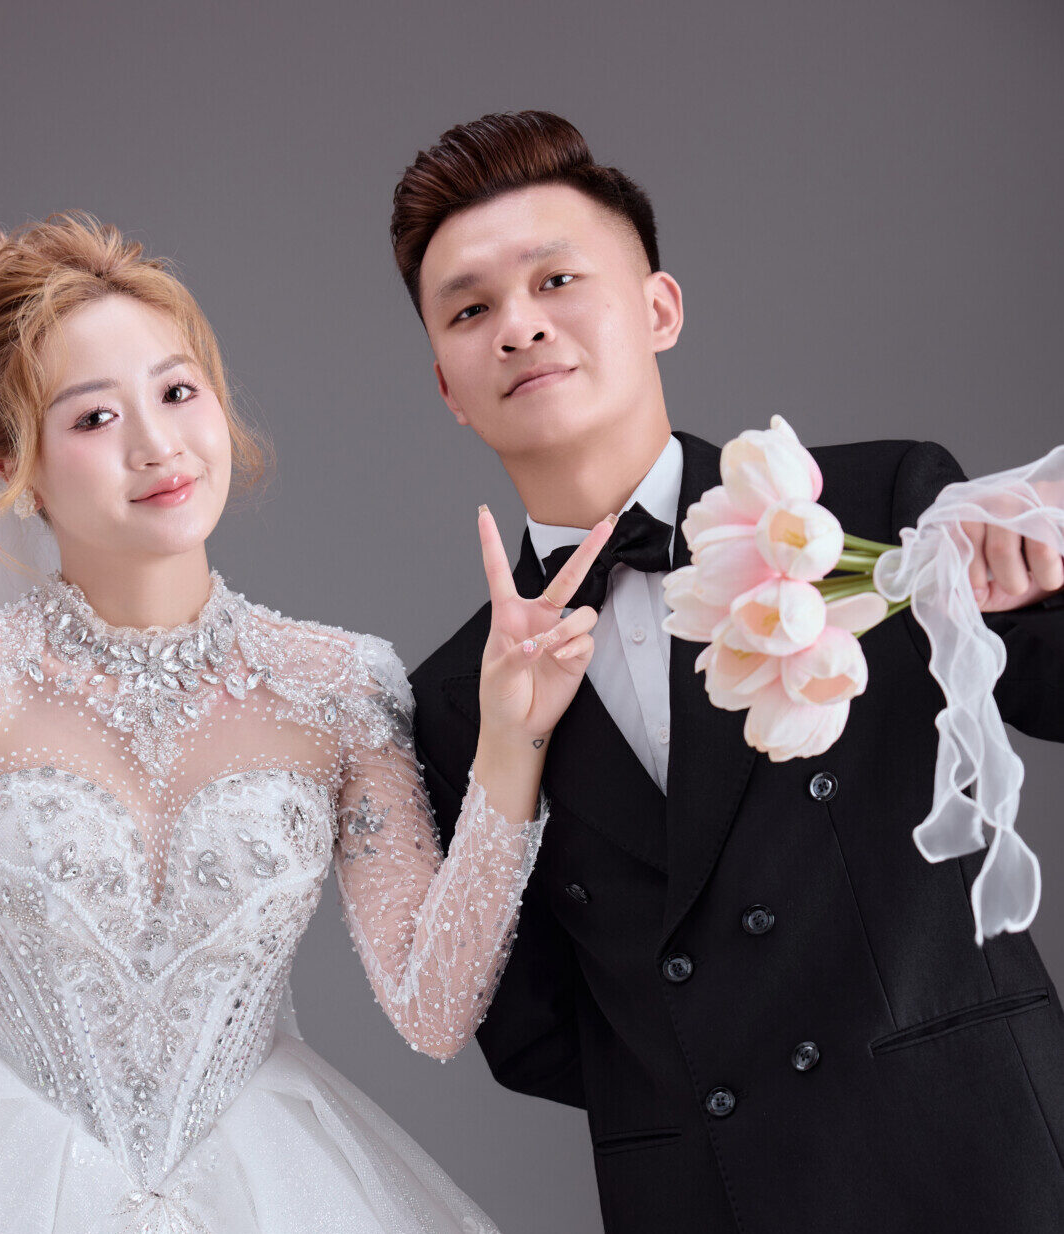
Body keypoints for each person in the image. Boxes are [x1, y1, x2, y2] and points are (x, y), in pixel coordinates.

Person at [0, 212, 615, 1233]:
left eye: (177, 392)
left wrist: (511, 742)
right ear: (13, 461)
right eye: (93, 418)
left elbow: (433, 1008)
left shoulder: (335, 690)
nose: (157, 445)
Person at [393, 110, 1064, 1234]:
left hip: (971, 1159)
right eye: (470, 310)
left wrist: (1045, 567)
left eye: (556, 279)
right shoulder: (458, 698)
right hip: (710, 1197)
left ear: (659, 309)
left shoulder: (875, 507)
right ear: (448, 389)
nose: (519, 326)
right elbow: (531, 1030)